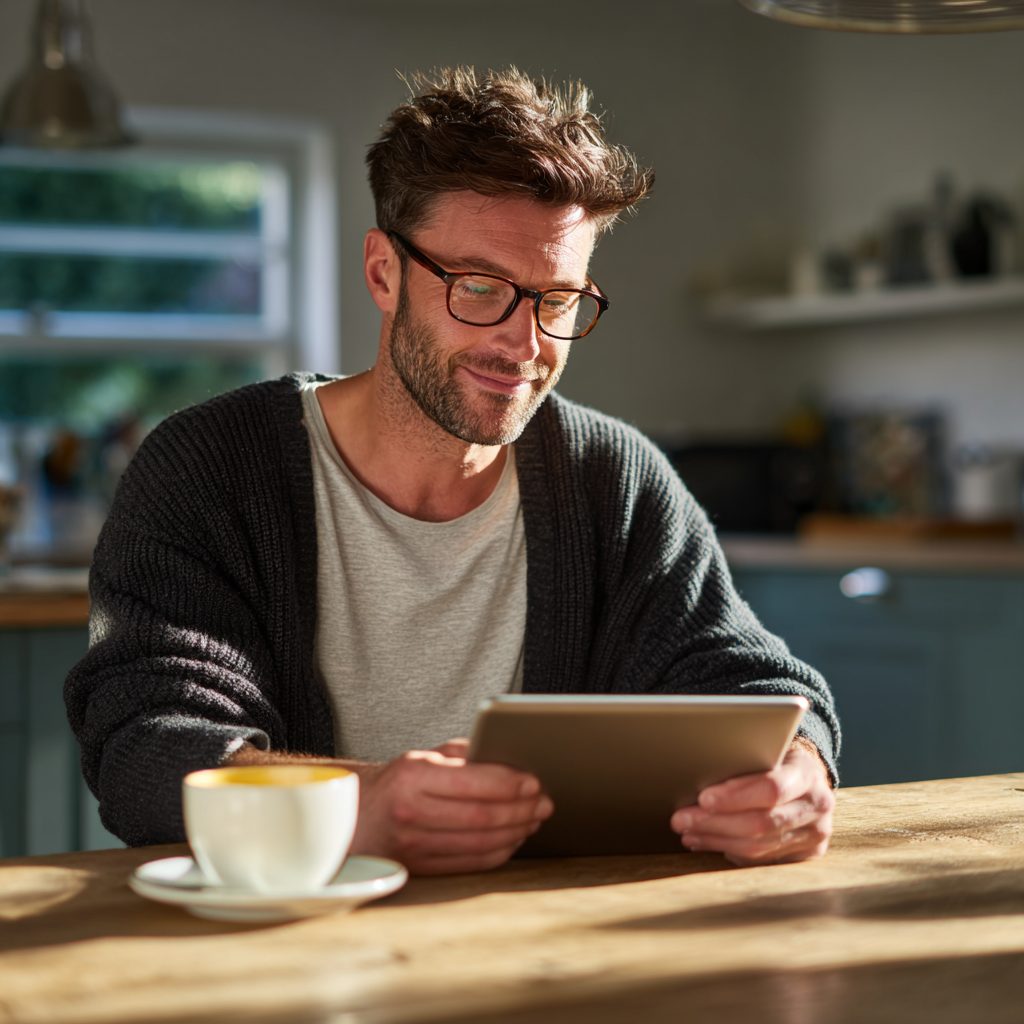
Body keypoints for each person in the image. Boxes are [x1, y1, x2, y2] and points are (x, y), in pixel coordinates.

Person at [65, 67, 839, 876]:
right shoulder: (210, 466)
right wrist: (361, 806)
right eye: (479, 287)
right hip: (283, 945)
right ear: (382, 273)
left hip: (551, 950)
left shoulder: (614, 478)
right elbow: (145, 741)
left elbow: (748, 679)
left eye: (558, 299)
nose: (525, 343)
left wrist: (799, 772)